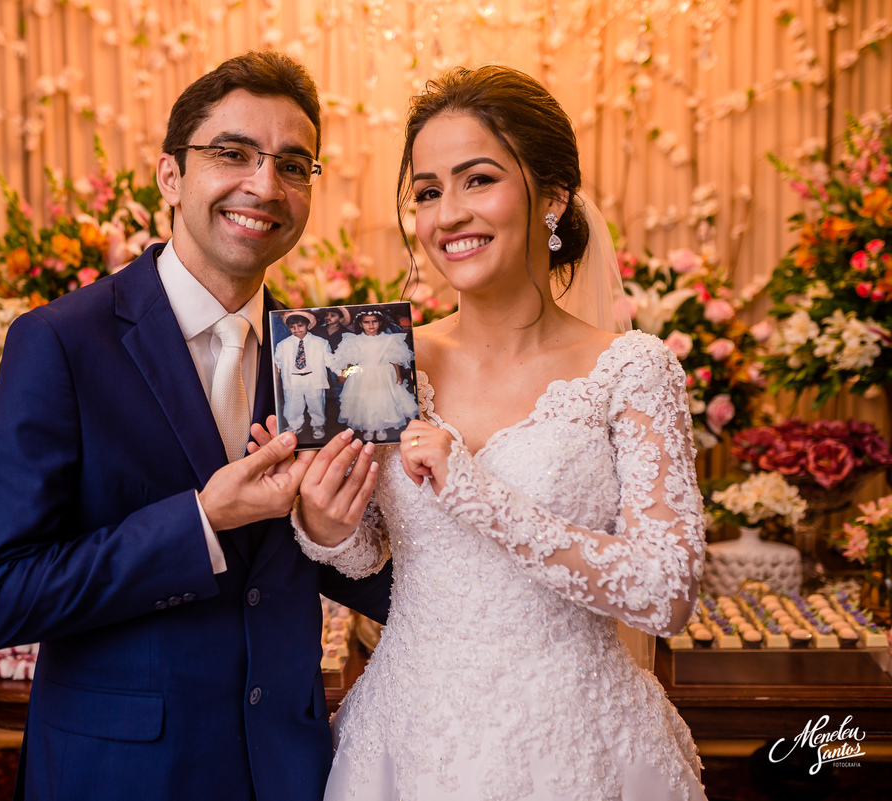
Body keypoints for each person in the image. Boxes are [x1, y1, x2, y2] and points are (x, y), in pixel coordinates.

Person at [0, 51, 392, 801]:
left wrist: (328, 533)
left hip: (288, 768)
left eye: (293, 165)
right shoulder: (60, 342)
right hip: (122, 774)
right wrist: (202, 521)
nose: (265, 185)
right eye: (233, 153)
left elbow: (372, 583)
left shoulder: (327, 352)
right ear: (170, 175)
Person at [292, 65, 707, 800]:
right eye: (427, 192)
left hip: (577, 741)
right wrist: (325, 522)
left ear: (553, 197)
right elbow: (364, 553)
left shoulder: (633, 370)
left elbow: (666, 593)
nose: (448, 214)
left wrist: (480, 495)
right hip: (412, 737)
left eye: (477, 180)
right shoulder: (381, 359)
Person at [330, 308, 419, 443]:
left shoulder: (388, 339)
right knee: (366, 401)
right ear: (361, 324)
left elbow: (394, 359)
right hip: (363, 375)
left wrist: (398, 375)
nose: (371, 325)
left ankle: (381, 428)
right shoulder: (355, 340)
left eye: (374, 322)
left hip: (383, 374)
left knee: (382, 401)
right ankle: (369, 428)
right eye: (366, 322)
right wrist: (344, 375)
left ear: (380, 322)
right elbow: (348, 360)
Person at [273, 311, 334, 439]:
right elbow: (277, 363)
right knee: (292, 404)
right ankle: (294, 425)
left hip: (313, 378)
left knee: (316, 403)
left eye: (300, 326)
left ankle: (318, 424)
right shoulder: (283, 345)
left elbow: (329, 360)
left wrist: (342, 371)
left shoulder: (320, 342)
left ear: (308, 325)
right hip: (293, 378)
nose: (296, 330)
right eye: (292, 327)